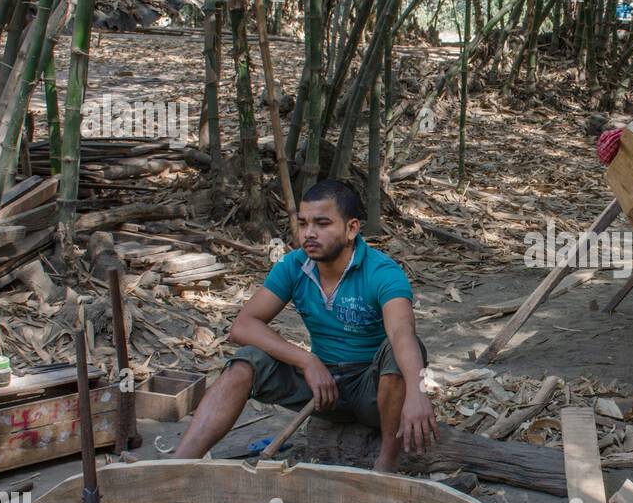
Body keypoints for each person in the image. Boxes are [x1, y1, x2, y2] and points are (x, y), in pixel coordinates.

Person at [170, 180, 437, 472]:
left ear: (352, 229)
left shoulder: (382, 272)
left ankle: (385, 466)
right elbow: (243, 326)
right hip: (322, 390)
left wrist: (417, 392)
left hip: (373, 393)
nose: (309, 233)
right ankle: (176, 468)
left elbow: (402, 334)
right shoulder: (293, 266)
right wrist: (307, 360)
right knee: (246, 361)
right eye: (303, 223)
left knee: (398, 354)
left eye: (322, 224)